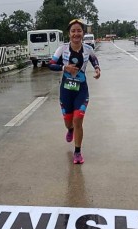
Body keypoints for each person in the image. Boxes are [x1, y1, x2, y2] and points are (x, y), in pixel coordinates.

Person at [49, 19, 101, 164]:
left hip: (81, 91)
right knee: (68, 122)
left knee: (78, 119)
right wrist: (64, 68)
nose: (76, 34)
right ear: (69, 33)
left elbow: (94, 60)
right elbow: (51, 65)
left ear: (83, 33)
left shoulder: (88, 49)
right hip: (66, 91)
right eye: (73, 31)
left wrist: (97, 69)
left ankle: (77, 152)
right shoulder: (62, 49)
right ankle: (70, 129)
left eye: (79, 31)